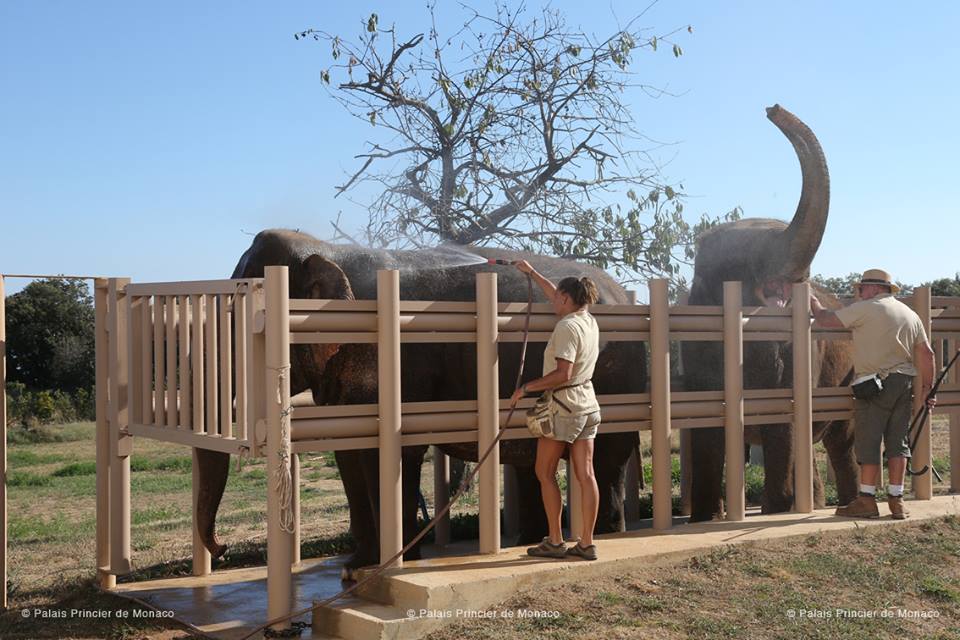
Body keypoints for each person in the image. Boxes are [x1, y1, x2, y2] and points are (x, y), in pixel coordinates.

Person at [810, 269, 936, 519]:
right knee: (898, 444)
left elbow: (826, 319)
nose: (860, 293)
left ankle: (867, 500)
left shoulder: (867, 308)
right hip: (904, 384)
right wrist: (927, 388)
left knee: (868, 443)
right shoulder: (910, 314)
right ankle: (896, 500)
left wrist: (812, 300)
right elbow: (927, 354)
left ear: (875, 289)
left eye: (863, 288)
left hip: (873, 384)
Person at [509, 260, 603, 560]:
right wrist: (532, 272)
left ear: (566, 298)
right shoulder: (587, 319)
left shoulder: (565, 327)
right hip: (587, 403)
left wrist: (527, 388)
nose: (552, 302)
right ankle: (587, 543)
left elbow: (563, 373)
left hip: (564, 405)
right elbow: (555, 295)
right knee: (586, 473)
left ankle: (555, 539)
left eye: (556, 298)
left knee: (544, 471)